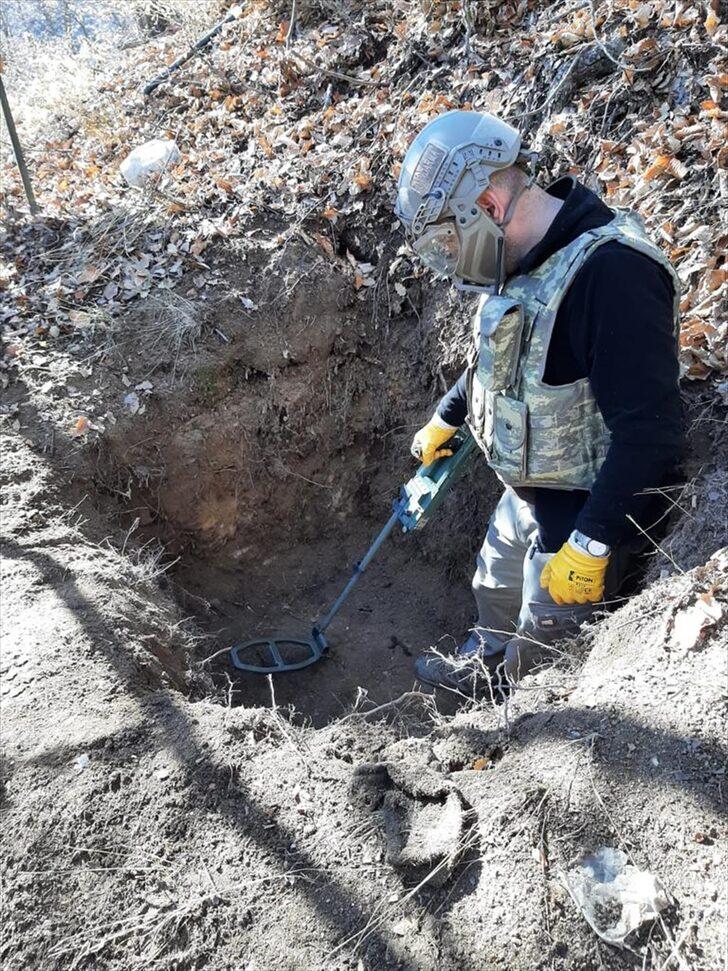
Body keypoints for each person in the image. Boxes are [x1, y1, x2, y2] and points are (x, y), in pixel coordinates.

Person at [394, 110, 684, 699]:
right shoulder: (523, 257)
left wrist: (593, 542)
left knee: (545, 646)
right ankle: (484, 666)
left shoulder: (613, 276)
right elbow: (501, 364)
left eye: (450, 240)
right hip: (526, 492)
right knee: (494, 586)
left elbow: (653, 434)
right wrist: (447, 418)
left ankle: (518, 725)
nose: (452, 261)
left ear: (488, 209)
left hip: (582, 523)